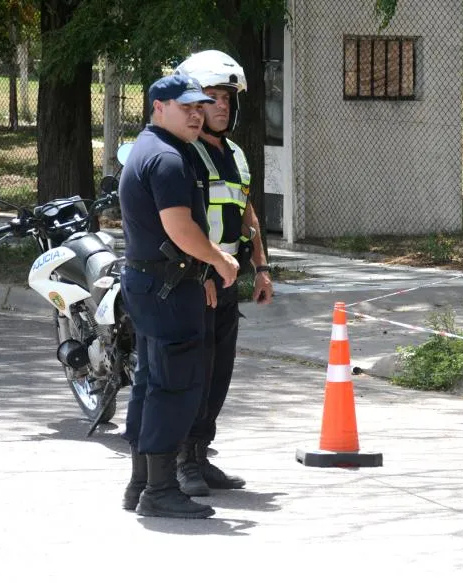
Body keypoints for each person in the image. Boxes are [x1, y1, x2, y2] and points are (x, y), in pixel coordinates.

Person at [118, 73, 241, 519]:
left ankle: (140, 483)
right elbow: (181, 229)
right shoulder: (168, 159)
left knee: (151, 383)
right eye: (185, 107)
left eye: (198, 107)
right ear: (158, 108)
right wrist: (220, 261)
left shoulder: (151, 149)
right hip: (169, 287)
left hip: (152, 283)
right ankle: (160, 491)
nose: (195, 114)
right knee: (174, 386)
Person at [172, 50, 274, 497]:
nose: (221, 106)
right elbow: (182, 223)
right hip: (197, 278)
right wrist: (205, 271)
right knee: (195, 372)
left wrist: (263, 267)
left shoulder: (233, 152)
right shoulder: (183, 153)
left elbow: (246, 211)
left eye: (227, 99)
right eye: (211, 98)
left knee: (219, 375)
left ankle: (202, 454)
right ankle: (182, 462)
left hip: (228, 277)